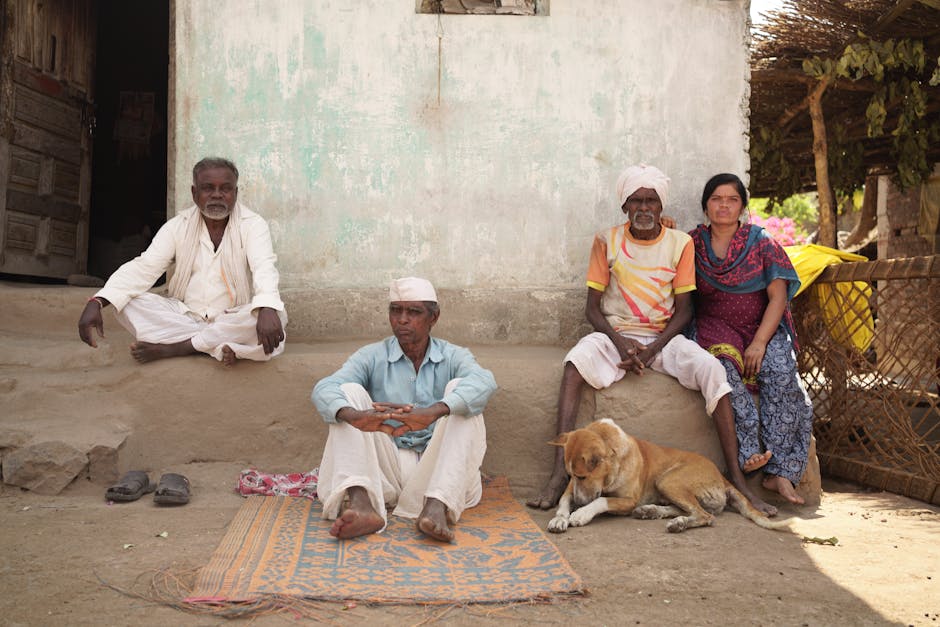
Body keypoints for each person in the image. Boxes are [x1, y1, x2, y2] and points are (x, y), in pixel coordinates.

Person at [527, 164, 777, 515]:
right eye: (636, 201)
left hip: (664, 338)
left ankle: (737, 480)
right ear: (624, 206)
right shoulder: (606, 241)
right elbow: (592, 310)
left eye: (651, 201)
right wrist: (621, 345)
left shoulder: (680, 243)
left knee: (713, 371)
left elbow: (685, 311)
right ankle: (558, 475)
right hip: (615, 335)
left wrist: (651, 349)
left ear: (661, 207)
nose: (644, 208)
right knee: (574, 365)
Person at [312, 277, 497, 542]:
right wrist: (357, 417)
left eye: (414, 312)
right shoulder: (372, 355)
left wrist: (434, 412)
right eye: (395, 310)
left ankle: (436, 507)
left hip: (441, 473)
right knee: (347, 393)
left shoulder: (453, 355)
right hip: (388, 472)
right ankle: (362, 506)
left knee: (463, 395)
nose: (402, 320)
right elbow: (324, 388)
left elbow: (485, 382)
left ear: (434, 317)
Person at [77, 157, 286, 365]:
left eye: (225, 188)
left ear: (236, 193)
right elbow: (145, 267)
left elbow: (264, 267)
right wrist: (98, 301)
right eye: (208, 188)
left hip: (231, 315)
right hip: (185, 317)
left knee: (273, 314)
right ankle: (216, 344)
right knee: (126, 303)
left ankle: (178, 347)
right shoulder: (177, 226)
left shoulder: (252, 225)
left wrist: (267, 308)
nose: (217, 195)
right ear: (194, 193)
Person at [689, 173, 813, 504]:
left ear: (743, 206)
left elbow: (778, 297)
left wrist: (759, 342)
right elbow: (662, 247)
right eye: (716, 199)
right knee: (725, 372)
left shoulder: (761, 243)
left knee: (782, 372)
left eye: (732, 199)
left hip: (760, 327)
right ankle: (749, 454)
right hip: (715, 326)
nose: (724, 205)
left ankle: (780, 473)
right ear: (705, 206)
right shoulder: (692, 244)